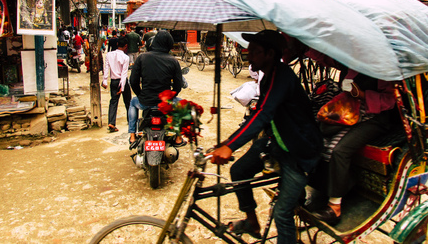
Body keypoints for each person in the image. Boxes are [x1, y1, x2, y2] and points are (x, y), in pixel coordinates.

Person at [208, 30, 323, 243]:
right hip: (276, 142)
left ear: (270, 54)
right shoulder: (268, 76)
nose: (249, 55)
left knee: (282, 214)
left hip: (298, 152)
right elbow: (259, 111)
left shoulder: (282, 76)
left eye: (254, 52)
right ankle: (252, 222)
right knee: (239, 170)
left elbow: (263, 113)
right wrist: (226, 142)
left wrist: (231, 146)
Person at [308, 68, 396, 225]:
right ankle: (326, 184)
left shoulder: (383, 68)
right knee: (322, 139)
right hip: (353, 112)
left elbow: (390, 100)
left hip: (376, 118)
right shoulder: (354, 63)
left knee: (340, 150)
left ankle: (335, 207)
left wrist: (361, 95)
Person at [128, 30, 184, 146]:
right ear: (169, 43)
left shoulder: (142, 58)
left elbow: (133, 81)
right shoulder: (173, 61)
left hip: (145, 101)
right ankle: (178, 138)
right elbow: (178, 86)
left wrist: (141, 95)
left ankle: (132, 135)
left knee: (132, 103)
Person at [101, 36, 131, 133]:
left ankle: (111, 122)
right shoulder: (126, 57)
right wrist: (122, 87)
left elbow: (106, 68)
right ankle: (130, 120)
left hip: (113, 81)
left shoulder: (109, 55)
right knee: (128, 102)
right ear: (126, 46)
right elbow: (124, 73)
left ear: (117, 44)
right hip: (122, 81)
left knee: (113, 102)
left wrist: (104, 81)